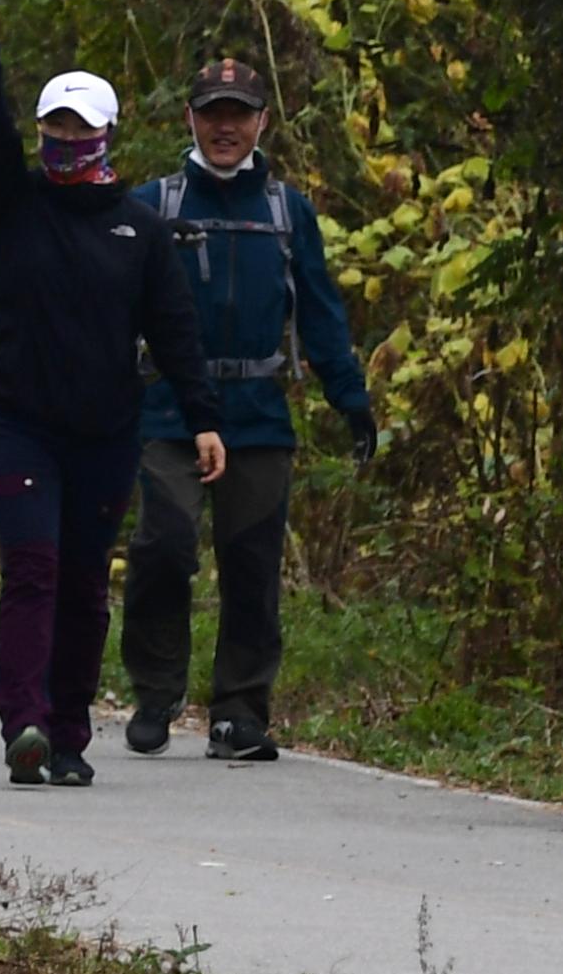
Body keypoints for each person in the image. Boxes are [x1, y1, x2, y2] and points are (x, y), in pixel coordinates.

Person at [0, 0, 221, 787]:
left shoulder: (141, 232)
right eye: (53, 130)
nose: (65, 143)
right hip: (19, 421)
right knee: (31, 570)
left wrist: (205, 418)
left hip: (104, 432)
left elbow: (174, 334)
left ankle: (68, 734)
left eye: (79, 130)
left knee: (81, 585)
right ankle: (23, 722)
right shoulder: (16, 203)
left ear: (106, 136)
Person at [124, 56, 379, 763]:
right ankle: (155, 690)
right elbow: (115, 308)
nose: (226, 127)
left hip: (259, 414)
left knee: (251, 562)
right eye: (213, 113)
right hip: (171, 410)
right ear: (191, 120)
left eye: (239, 113)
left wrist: (350, 400)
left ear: (263, 121)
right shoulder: (155, 204)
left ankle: (239, 711)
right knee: (164, 547)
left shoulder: (287, 211)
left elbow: (323, 316)